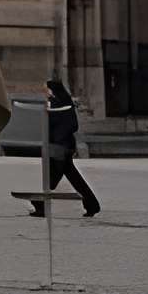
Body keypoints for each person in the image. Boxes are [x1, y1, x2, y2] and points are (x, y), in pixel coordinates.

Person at [40, 78, 101, 219]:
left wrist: (57, 136)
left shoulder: (62, 104)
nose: (45, 92)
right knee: (73, 179)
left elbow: (71, 125)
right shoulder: (56, 104)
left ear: (52, 90)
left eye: (47, 89)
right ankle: (92, 205)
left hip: (61, 148)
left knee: (51, 180)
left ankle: (40, 205)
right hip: (60, 147)